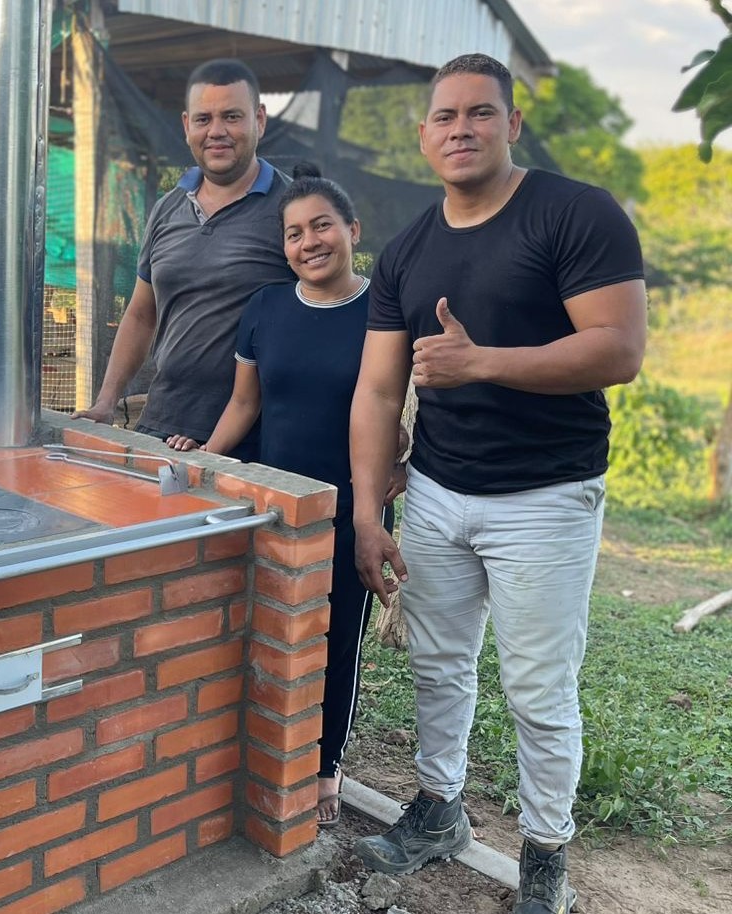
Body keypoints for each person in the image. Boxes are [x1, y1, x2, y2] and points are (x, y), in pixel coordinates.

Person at [348, 54, 646, 914]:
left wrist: (483, 362)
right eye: (445, 117)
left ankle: (546, 857)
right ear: (423, 136)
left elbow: (619, 348)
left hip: (546, 497)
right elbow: (375, 389)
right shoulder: (408, 248)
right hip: (439, 489)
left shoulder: (575, 213)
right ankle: (440, 808)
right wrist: (371, 512)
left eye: (481, 113)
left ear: (512, 124)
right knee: (440, 666)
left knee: (537, 689)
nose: (462, 130)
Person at [166, 166, 407, 826]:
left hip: (354, 502)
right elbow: (246, 403)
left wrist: (406, 459)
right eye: (294, 232)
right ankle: (268, 745)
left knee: (338, 639)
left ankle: (325, 766)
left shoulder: (383, 310)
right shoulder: (266, 308)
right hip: (277, 504)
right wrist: (206, 463)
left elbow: (402, 403)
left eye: (322, 226)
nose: (309, 242)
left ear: (352, 231)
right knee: (275, 628)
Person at [72, 58, 295, 459]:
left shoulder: (294, 208)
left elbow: (330, 312)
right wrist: (106, 402)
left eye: (232, 116)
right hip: (164, 423)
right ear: (186, 125)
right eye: (204, 119)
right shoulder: (167, 208)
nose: (217, 131)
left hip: (257, 438)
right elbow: (142, 314)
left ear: (259, 120)